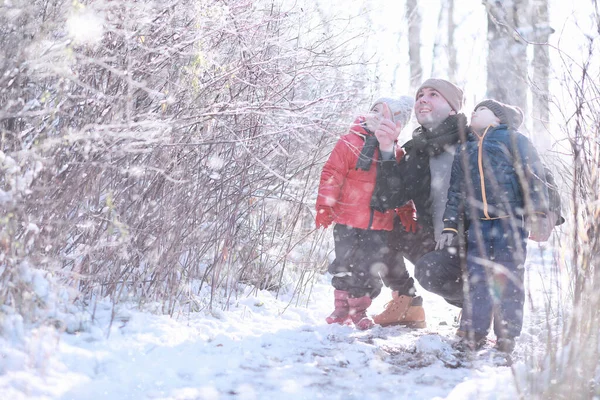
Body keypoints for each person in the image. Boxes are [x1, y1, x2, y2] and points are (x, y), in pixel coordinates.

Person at [371, 79, 564, 343]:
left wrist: (545, 212)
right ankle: (408, 301)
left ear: (452, 108)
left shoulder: (477, 137)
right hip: (441, 241)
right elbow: (389, 197)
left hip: (482, 239)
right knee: (384, 229)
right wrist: (385, 149)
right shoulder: (415, 151)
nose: (423, 99)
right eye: (420, 95)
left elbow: (536, 170)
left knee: (489, 269)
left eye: (433, 94)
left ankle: (486, 307)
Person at [436, 99, 550, 352]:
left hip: (510, 223)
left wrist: (539, 213)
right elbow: (456, 192)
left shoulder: (514, 139)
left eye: (482, 110)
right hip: (478, 225)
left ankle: (507, 333)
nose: (475, 112)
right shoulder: (465, 150)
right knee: (477, 278)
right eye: (474, 110)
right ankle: (474, 331)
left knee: (508, 276)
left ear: (498, 118)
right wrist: (450, 226)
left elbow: (535, 176)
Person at [315, 96, 425, 330]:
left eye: (389, 116)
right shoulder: (349, 142)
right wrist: (325, 204)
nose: (379, 116)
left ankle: (359, 310)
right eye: (376, 110)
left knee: (368, 268)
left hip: (379, 225)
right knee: (344, 263)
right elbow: (332, 173)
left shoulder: (395, 153)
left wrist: (406, 211)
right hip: (347, 219)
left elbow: (398, 188)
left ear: (397, 125)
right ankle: (341, 307)